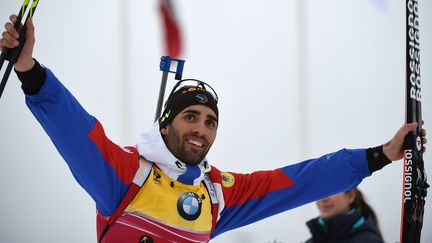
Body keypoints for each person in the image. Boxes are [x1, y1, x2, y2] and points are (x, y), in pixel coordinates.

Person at [0, 15, 428, 243]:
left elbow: (296, 181)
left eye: (210, 122)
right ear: (166, 123)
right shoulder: (125, 175)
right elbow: (76, 131)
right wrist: (29, 70)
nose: (201, 130)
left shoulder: (216, 195)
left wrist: (379, 156)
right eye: (191, 117)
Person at [305, 189, 383, 243]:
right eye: (319, 191)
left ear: (350, 196)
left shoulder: (368, 240)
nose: (323, 199)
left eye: (331, 190)